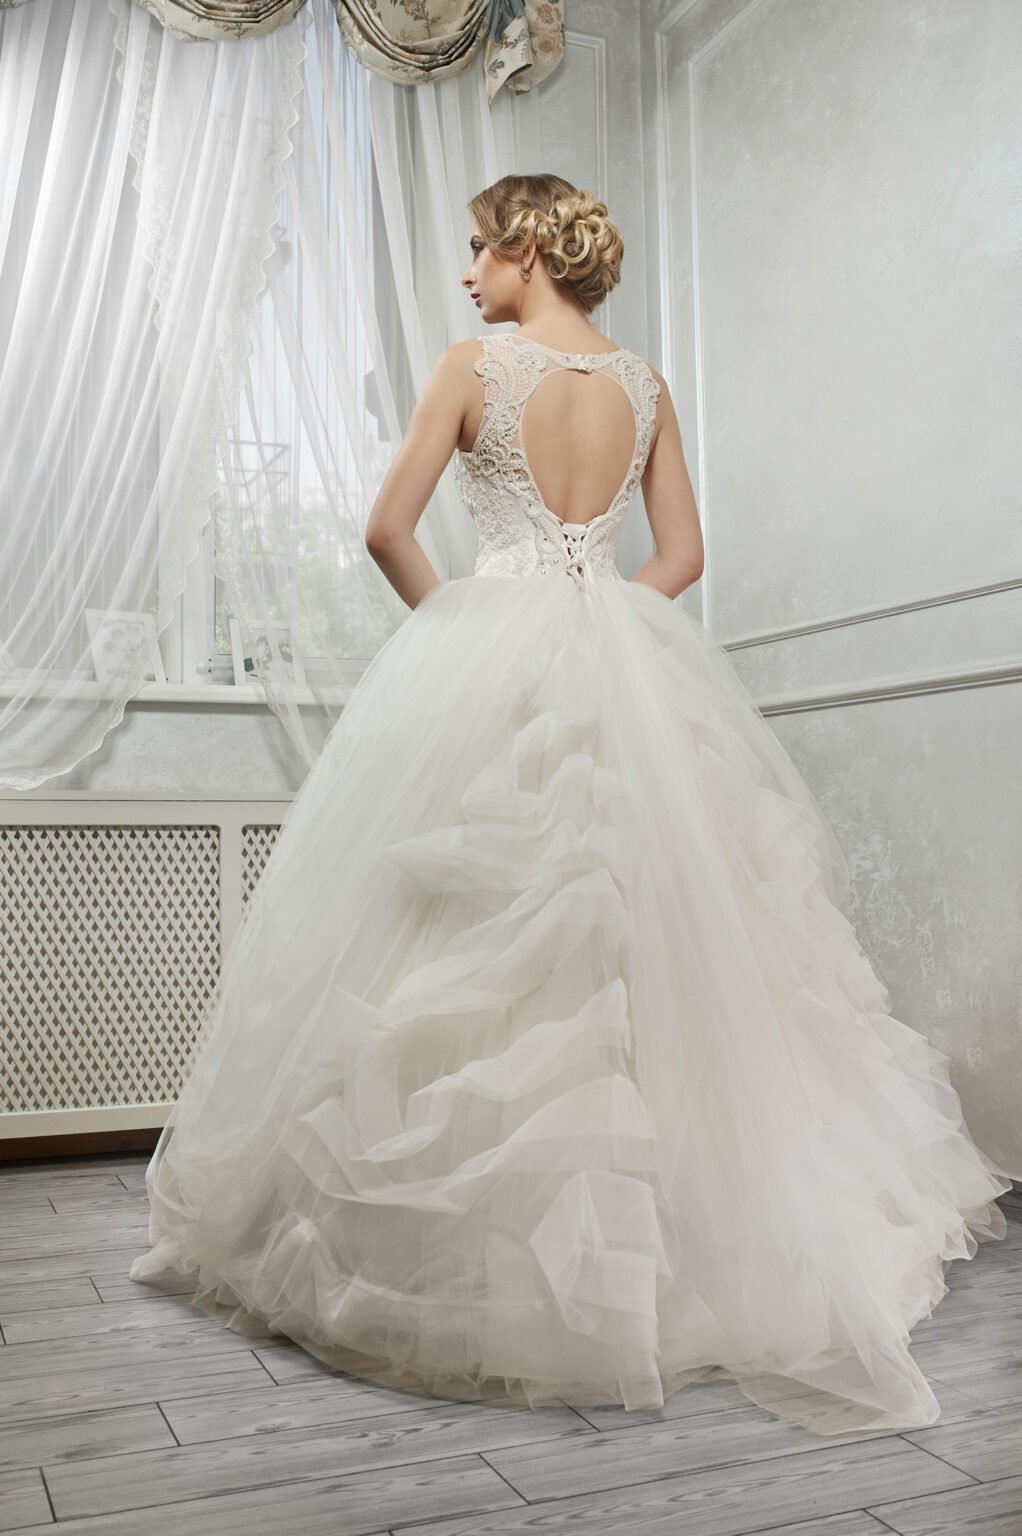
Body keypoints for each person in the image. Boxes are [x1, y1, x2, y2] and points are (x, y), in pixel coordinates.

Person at [129, 172, 1011, 1438]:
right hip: (622, 647)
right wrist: (600, 625)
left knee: (466, 948)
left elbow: (387, 530)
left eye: (480, 249)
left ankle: (495, 1261)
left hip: (494, 644)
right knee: (670, 946)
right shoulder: (646, 386)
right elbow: (683, 560)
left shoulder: (472, 369)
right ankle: (694, 1236)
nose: (468, 274)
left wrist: (471, 637)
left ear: (529, 251)